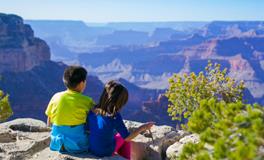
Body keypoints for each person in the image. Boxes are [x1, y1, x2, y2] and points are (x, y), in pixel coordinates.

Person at [87, 80, 154, 159]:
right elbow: (127, 137)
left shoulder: (92, 110)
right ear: (119, 102)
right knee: (124, 138)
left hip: (92, 149)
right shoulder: (114, 116)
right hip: (105, 151)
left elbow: (90, 129)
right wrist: (143, 127)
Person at [45, 66, 95, 153]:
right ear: (82, 83)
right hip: (77, 145)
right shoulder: (87, 101)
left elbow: (49, 119)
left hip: (56, 143)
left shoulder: (56, 96)